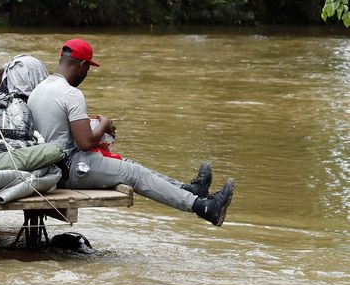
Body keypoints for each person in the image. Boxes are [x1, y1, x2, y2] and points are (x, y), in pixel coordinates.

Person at [27, 38, 235, 226]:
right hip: (70, 169)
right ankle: (204, 208)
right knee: (135, 174)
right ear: (82, 65)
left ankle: (190, 191)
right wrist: (104, 124)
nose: (86, 74)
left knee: (129, 165)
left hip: (52, 166)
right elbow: (85, 142)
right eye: (88, 69)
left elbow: (58, 131)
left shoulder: (39, 89)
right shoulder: (71, 94)